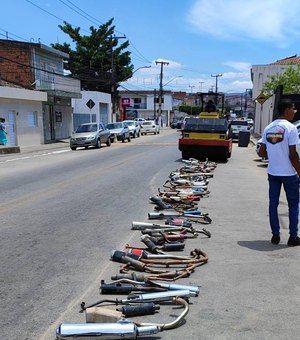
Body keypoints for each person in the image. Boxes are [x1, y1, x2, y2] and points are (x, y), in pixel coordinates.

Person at [258, 98, 300, 246]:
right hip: (289, 174)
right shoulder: (291, 128)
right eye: (293, 108)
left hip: (273, 172)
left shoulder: (268, 128)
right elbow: (293, 154)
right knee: (293, 204)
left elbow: (262, 152)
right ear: (287, 109)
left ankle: (275, 235)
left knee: (273, 204)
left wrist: (274, 153)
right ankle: (293, 236)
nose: (294, 112)